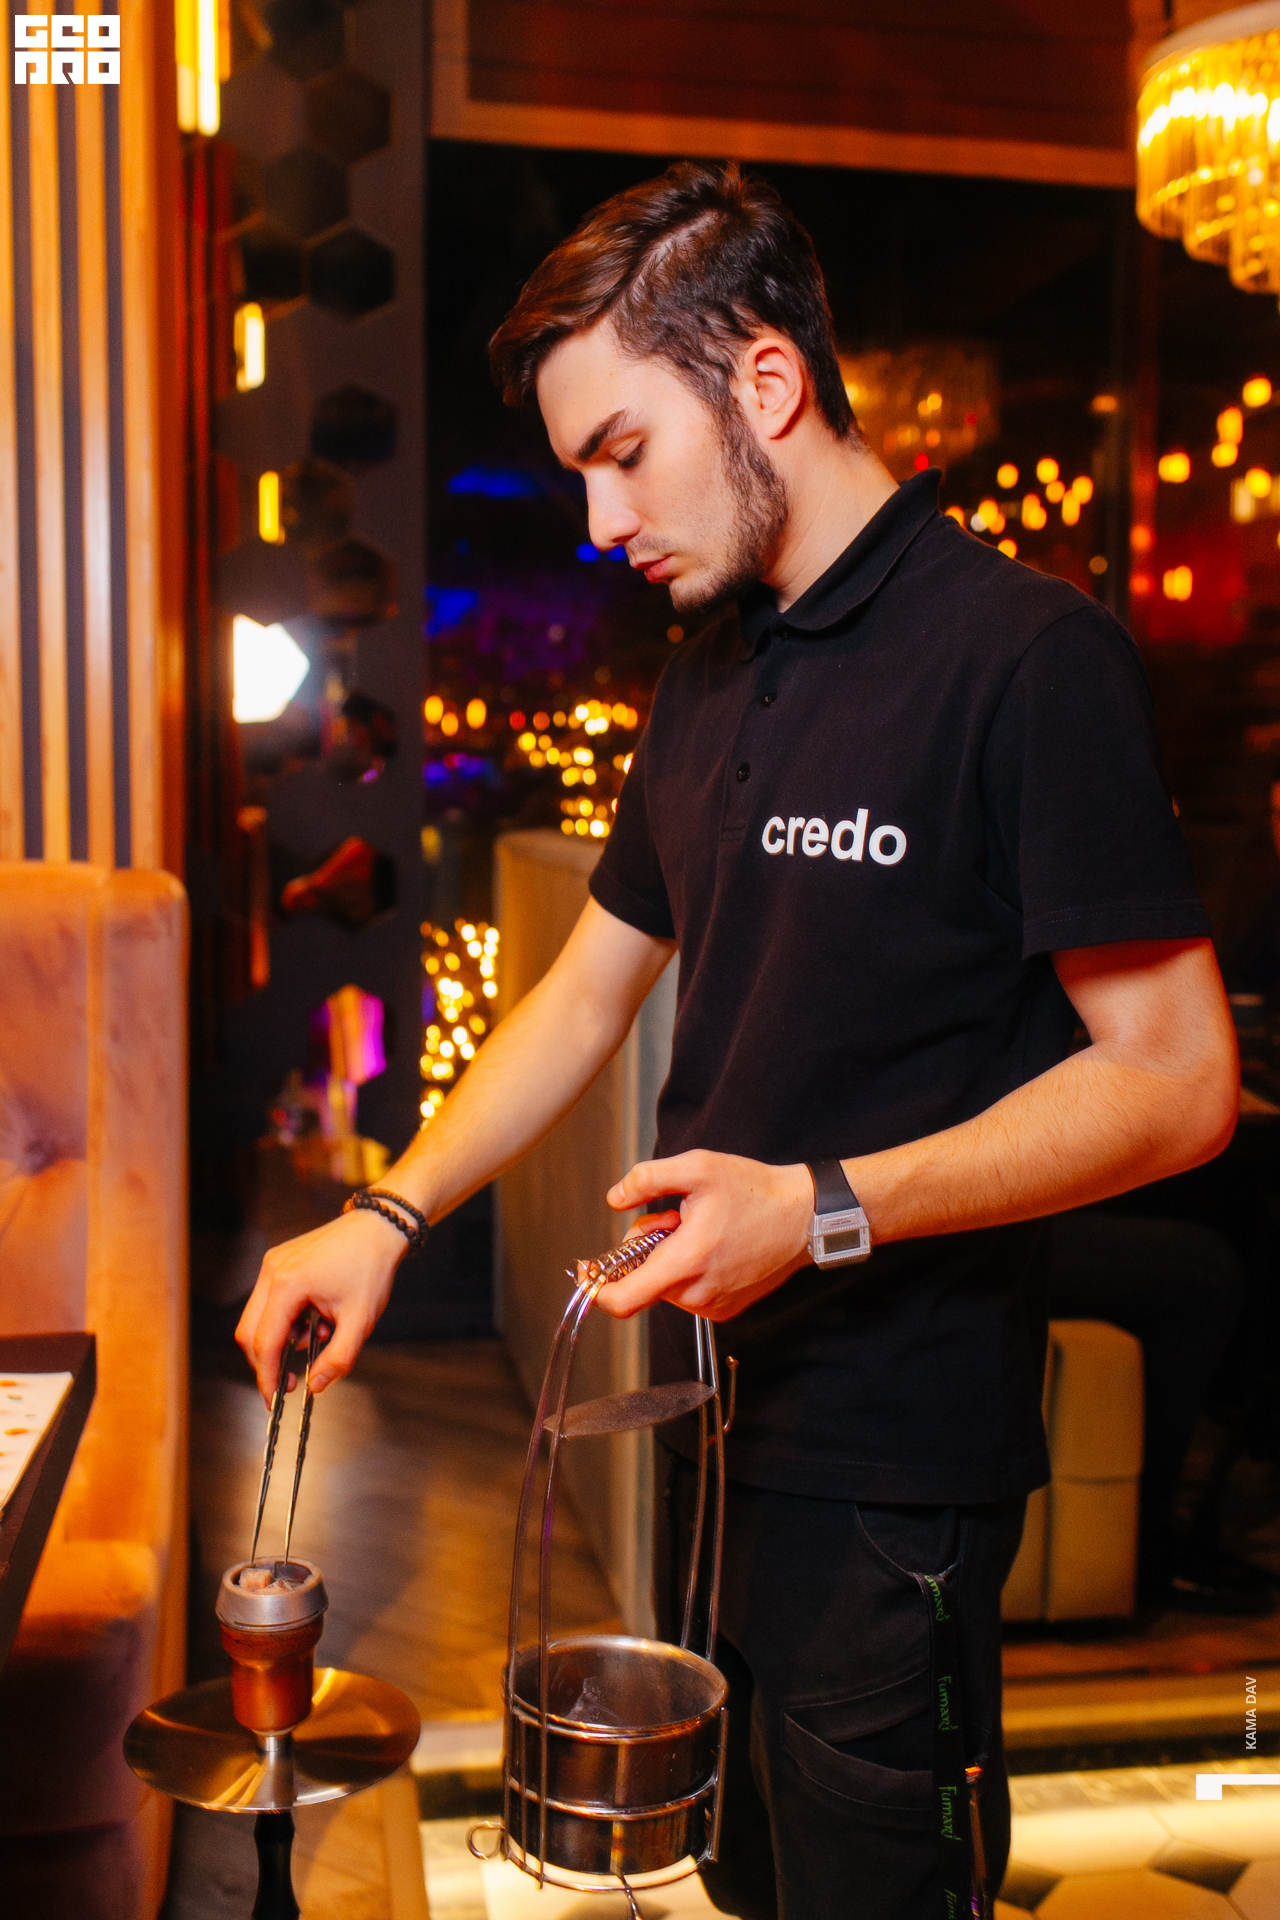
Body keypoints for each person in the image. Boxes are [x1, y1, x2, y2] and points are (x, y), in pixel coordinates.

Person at [236, 164, 1238, 1919]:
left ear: (765, 380)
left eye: (624, 452)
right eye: (580, 472)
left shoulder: (1024, 658)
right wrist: (388, 1215)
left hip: (900, 1466)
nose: (599, 519)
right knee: (753, 1877)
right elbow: (585, 995)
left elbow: (1179, 1082)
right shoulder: (708, 669)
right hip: (709, 1424)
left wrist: (818, 1209)